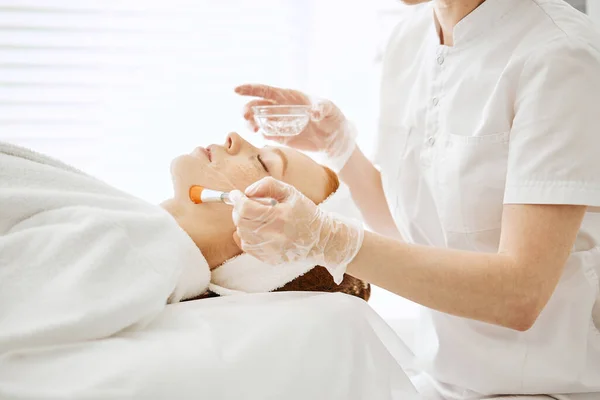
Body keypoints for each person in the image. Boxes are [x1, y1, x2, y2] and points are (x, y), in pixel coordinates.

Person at [230, 0, 600, 399]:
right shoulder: (410, 39)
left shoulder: (560, 55)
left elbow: (520, 296)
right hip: (443, 382)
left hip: (548, 388)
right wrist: (339, 148)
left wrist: (329, 239)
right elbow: (411, 227)